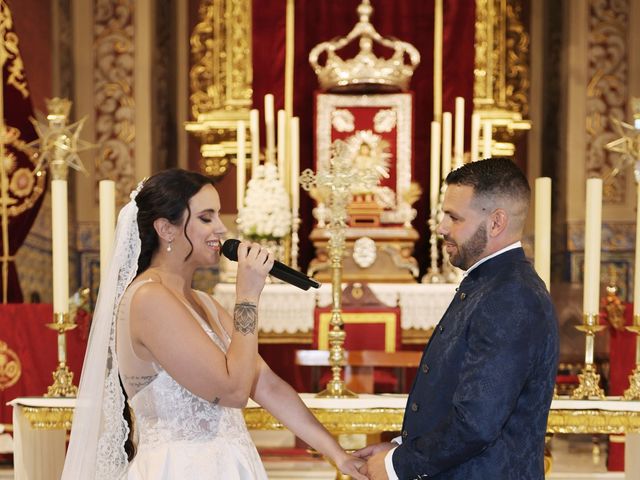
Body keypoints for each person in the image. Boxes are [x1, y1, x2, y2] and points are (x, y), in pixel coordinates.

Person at [62, 168, 366, 480]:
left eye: (218, 216)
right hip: (179, 468)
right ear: (167, 229)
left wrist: (338, 455)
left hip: (231, 464)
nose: (222, 228)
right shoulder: (148, 299)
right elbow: (233, 391)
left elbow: (267, 386)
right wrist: (247, 295)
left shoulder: (205, 303)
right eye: (206, 218)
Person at [354, 158, 559, 479]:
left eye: (454, 217)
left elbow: (477, 421)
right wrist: (398, 448)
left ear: (496, 222)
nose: (441, 227)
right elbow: (452, 397)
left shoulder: (509, 294)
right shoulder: (489, 282)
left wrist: (398, 466)